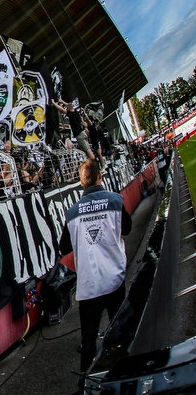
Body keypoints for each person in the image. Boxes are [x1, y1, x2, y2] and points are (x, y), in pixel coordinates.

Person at [59, 159, 132, 374]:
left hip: (89, 287)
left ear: (81, 184)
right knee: (119, 331)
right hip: (114, 280)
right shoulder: (114, 200)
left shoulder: (72, 212)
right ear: (100, 177)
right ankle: (123, 374)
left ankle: (86, 387)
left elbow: (64, 247)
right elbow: (127, 229)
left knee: (88, 343)